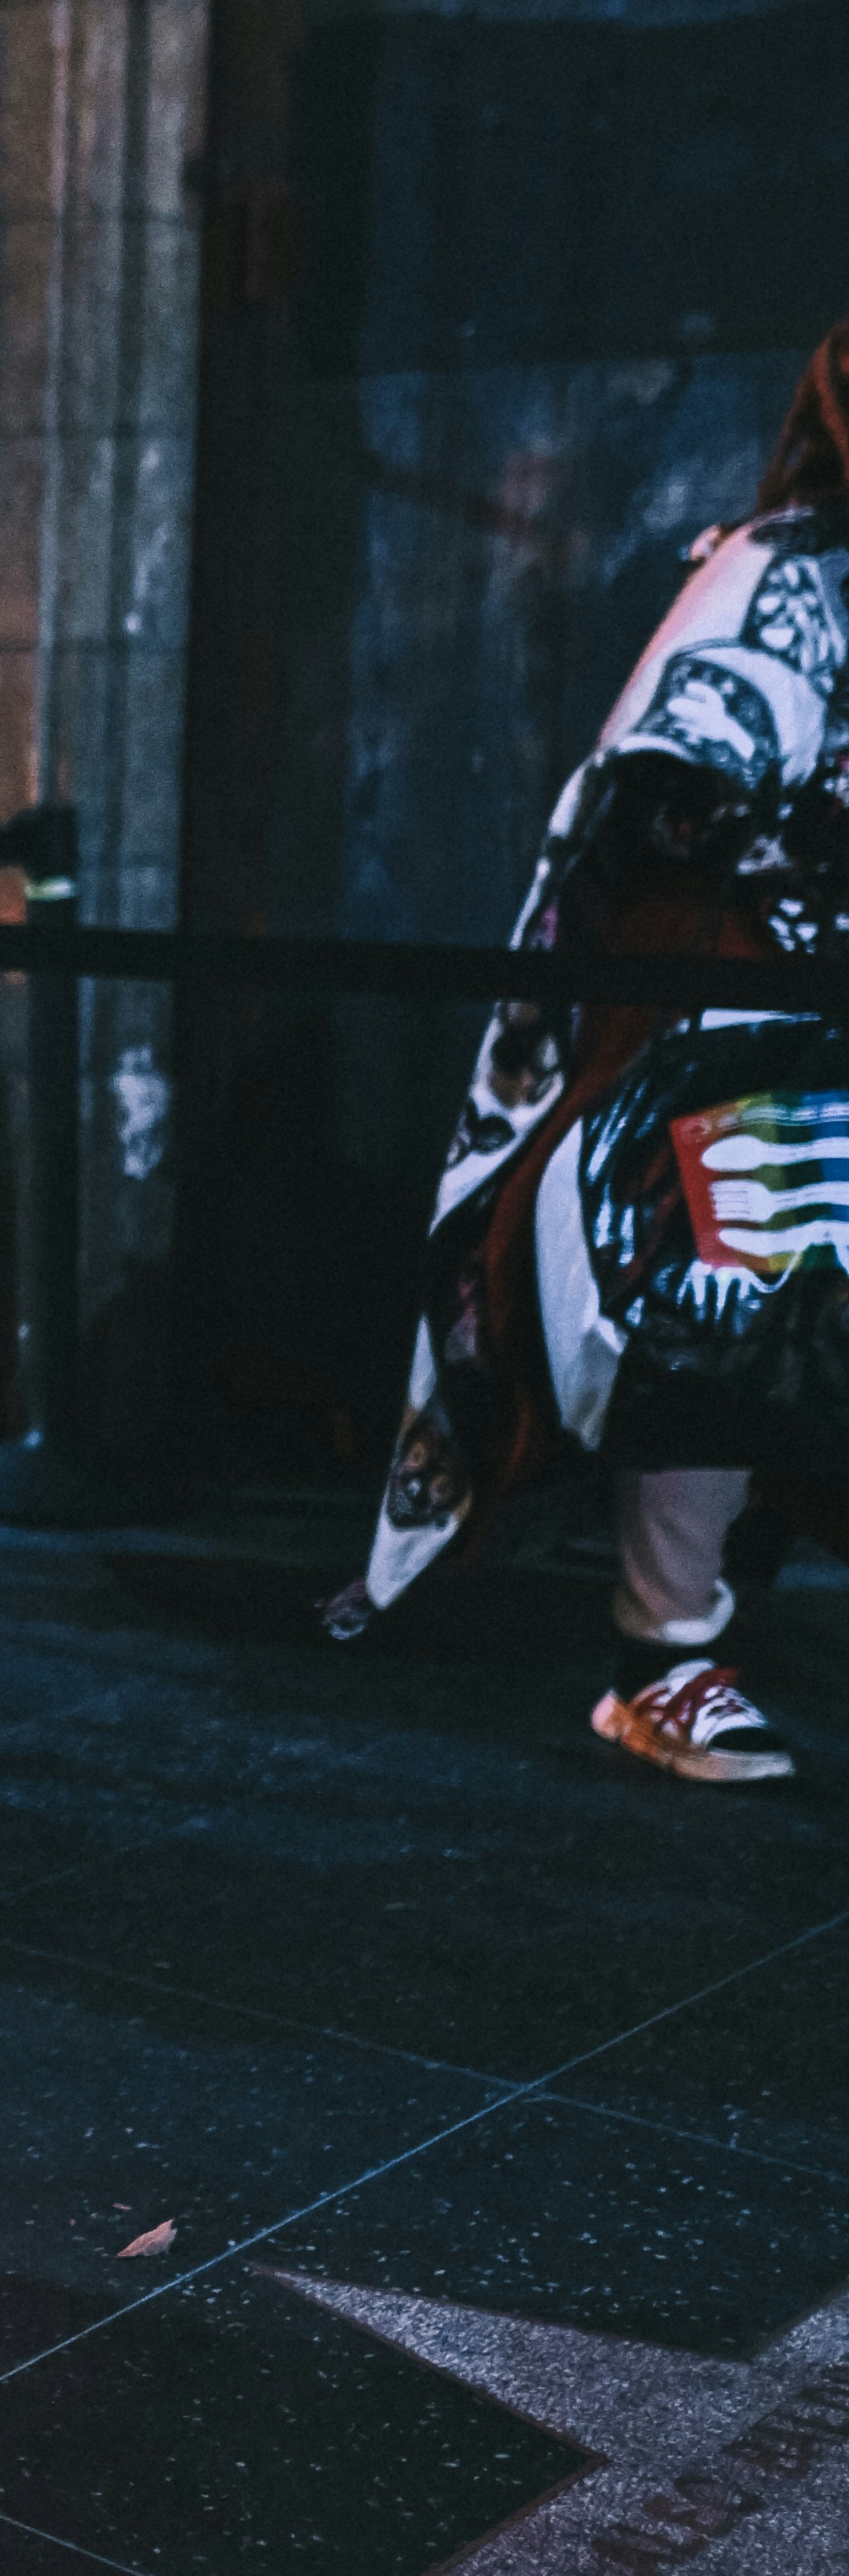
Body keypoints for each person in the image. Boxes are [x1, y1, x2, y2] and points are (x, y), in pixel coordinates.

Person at [336, 323, 849, 1785]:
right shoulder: (778, 572)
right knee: (727, 1301)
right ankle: (659, 1655)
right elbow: (672, 788)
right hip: (743, 1015)